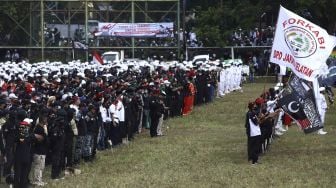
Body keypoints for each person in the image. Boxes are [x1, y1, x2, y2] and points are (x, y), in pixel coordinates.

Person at [31, 117, 48, 186]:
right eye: (45, 119)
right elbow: (42, 139)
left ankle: (39, 180)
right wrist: (45, 133)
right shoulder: (39, 129)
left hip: (42, 150)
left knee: (41, 167)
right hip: (39, 151)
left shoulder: (41, 128)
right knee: (38, 166)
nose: (47, 120)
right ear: (42, 120)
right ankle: (37, 181)